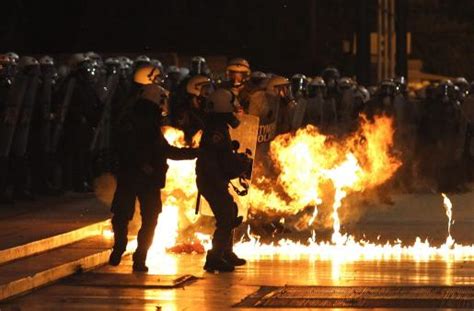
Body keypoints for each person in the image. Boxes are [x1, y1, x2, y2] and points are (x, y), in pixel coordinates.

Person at [109, 83, 197, 272]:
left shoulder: (145, 122)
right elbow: (125, 147)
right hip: (138, 179)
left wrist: (194, 153)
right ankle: (130, 253)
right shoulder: (134, 122)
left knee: (131, 217)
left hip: (140, 180)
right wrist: (143, 165)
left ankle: (131, 253)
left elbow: (166, 151)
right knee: (141, 218)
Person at [196, 88, 252, 272]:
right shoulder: (217, 132)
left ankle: (225, 252)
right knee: (226, 217)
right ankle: (214, 257)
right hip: (212, 181)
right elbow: (222, 161)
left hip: (214, 179)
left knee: (231, 209)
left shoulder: (217, 128)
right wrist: (240, 164)